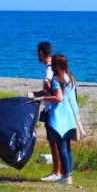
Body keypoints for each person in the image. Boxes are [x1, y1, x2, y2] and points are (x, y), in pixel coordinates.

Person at [40, 54, 81, 184]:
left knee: (61, 146)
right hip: (70, 116)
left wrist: (43, 98)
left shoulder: (57, 78)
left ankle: (66, 176)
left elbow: (58, 98)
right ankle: (68, 174)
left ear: (55, 65)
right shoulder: (70, 77)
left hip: (59, 117)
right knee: (67, 147)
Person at [29, 41, 62, 182]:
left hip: (51, 109)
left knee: (53, 141)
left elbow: (47, 88)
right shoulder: (54, 67)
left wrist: (34, 95)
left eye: (38, 53)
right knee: (58, 141)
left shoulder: (49, 69)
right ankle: (60, 170)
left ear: (41, 52)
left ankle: (56, 171)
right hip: (55, 108)